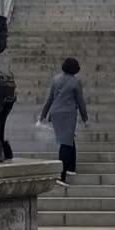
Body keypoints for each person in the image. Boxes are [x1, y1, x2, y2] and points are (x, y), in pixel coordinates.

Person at [39, 56, 88, 185]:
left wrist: (43, 115)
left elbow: (49, 99)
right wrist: (85, 118)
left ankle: (71, 167)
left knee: (68, 139)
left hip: (55, 113)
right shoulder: (75, 82)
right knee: (65, 143)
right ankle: (61, 176)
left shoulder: (56, 79)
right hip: (67, 114)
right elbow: (81, 101)